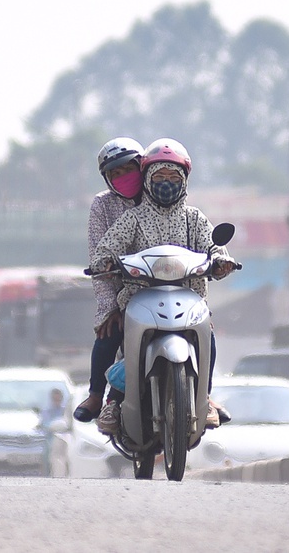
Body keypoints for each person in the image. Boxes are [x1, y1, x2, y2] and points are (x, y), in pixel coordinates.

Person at [89, 138, 235, 435]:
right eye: (159, 177)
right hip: (139, 297)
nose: (166, 183)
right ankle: (110, 401)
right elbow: (105, 248)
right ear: (148, 180)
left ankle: (204, 398)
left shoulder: (194, 218)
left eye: (173, 177)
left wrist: (222, 261)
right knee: (121, 341)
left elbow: (213, 247)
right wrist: (105, 263)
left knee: (208, 334)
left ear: (184, 181)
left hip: (189, 297)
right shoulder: (133, 218)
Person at [74, 137, 145, 423]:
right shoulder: (103, 206)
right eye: (114, 173)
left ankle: (203, 395)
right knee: (108, 333)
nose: (123, 177)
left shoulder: (161, 196)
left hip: (164, 287)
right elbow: (97, 258)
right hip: (120, 291)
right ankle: (97, 395)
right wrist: (110, 306)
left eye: (128, 169)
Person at [38, 387, 67, 476]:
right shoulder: (46, 411)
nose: (57, 401)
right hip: (50, 439)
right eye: (55, 399)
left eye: (58, 399)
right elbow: (44, 424)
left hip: (64, 439)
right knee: (48, 459)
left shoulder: (65, 411)